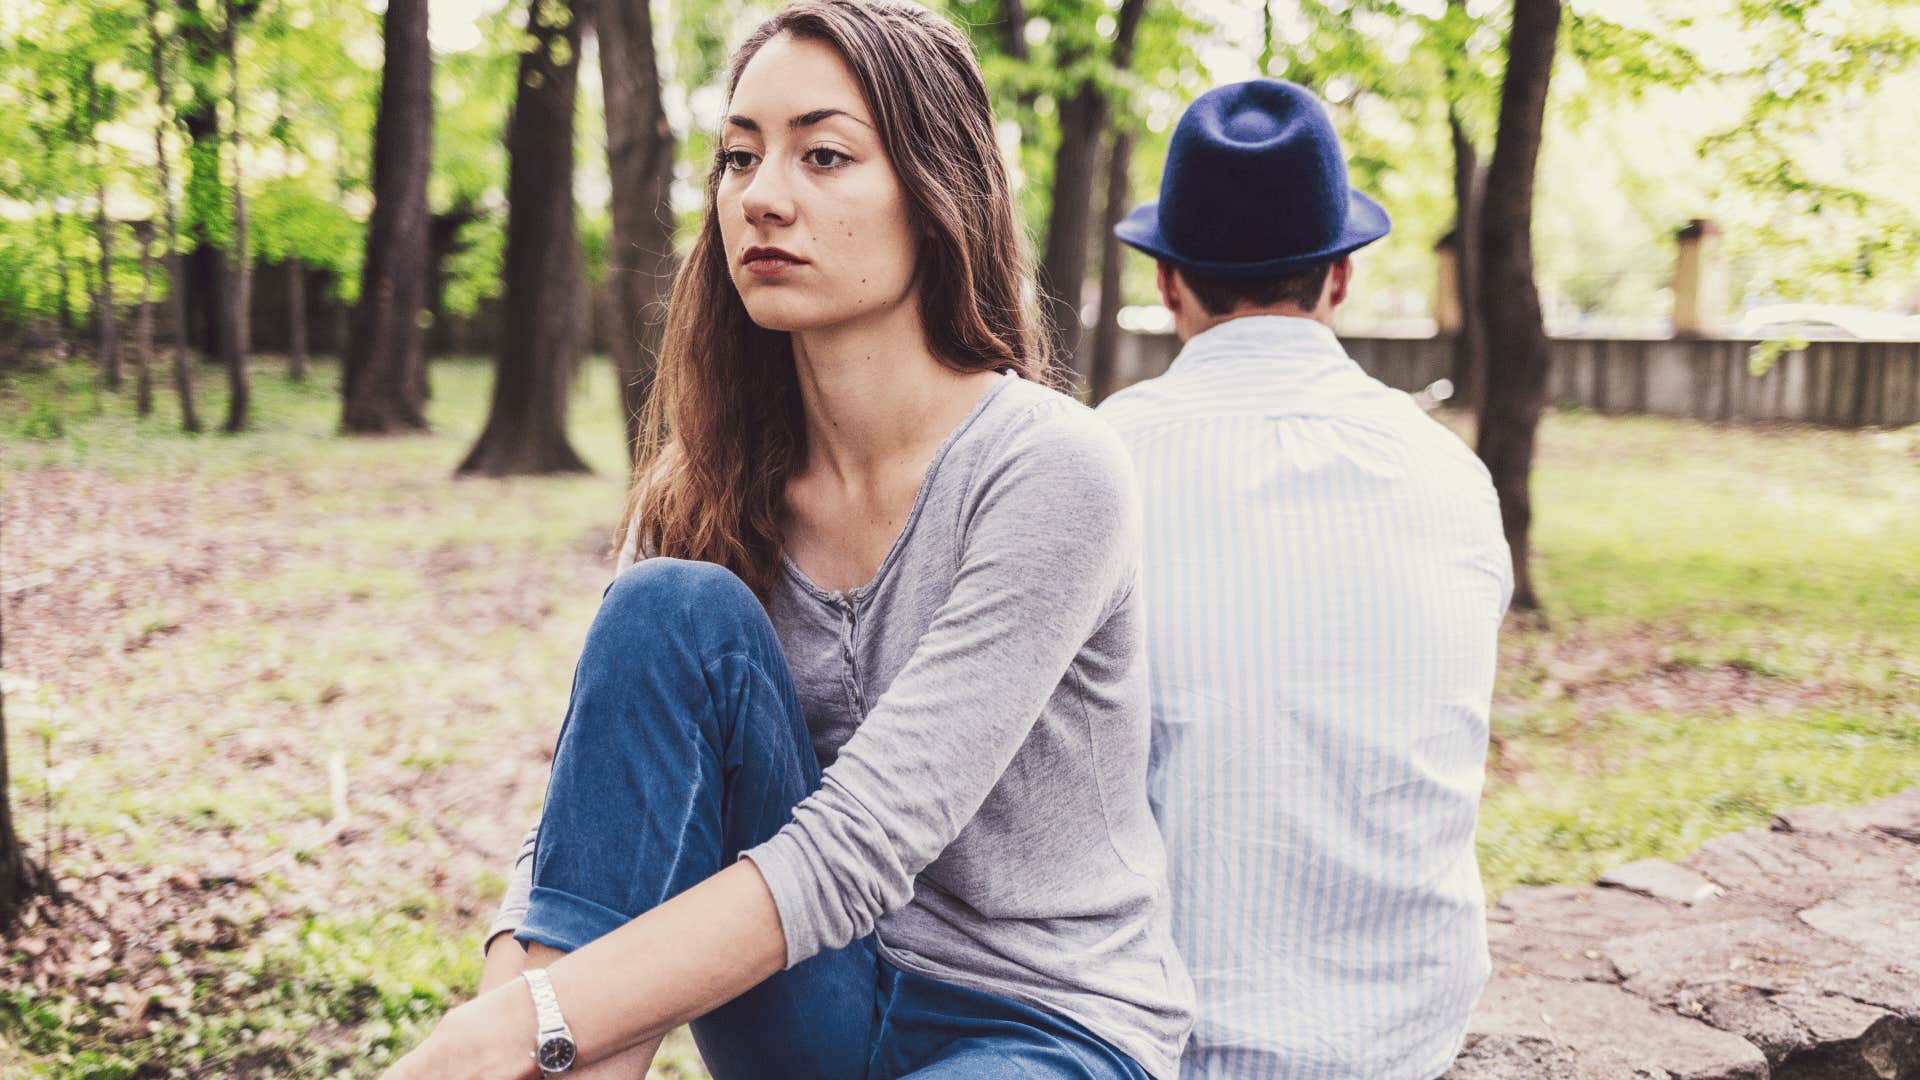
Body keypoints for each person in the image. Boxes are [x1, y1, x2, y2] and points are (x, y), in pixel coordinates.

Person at [380, 2, 1194, 1078]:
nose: (761, 196)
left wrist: (514, 1025)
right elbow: (600, 821)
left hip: (1038, 1024)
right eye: (738, 156)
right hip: (812, 1001)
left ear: (937, 190)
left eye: (823, 154)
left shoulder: (1049, 471)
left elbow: (860, 844)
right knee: (666, 607)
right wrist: (513, 1014)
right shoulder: (709, 480)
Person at [1098, 79, 1513, 1080]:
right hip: (1407, 1039)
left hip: (1165, 1044)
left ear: (1166, 282)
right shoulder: (1452, 475)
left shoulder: (1099, 463)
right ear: (1340, 277)